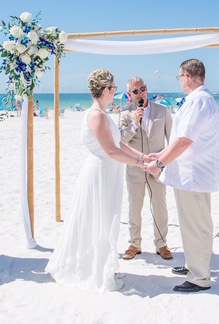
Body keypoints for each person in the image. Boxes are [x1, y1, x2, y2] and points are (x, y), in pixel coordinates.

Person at [46, 69, 148, 293]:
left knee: (107, 219)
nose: (115, 92)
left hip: (109, 172)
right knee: (100, 220)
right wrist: (138, 164)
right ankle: (95, 270)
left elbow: (119, 143)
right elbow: (111, 150)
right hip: (100, 172)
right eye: (113, 88)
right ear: (105, 90)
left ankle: (103, 266)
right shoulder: (96, 115)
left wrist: (141, 156)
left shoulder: (103, 113)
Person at [145, 59, 219, 293]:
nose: (179, 81)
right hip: (190, 174)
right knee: (194, 223)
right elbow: (182, 138)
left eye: (179, 77)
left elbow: (184, 140)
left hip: (194, 175)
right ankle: (193, 264)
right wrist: (162, 153)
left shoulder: (199, 101)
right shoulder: (199, 100)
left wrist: (160, 162)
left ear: (187, 76)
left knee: (196, 225)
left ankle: (200, 277)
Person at [118, 76, 173, 261]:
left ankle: (161, 243)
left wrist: (162, 161)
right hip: (135, 168)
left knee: (160, 206)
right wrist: (134, 123)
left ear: (146, 88)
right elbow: (120, 141)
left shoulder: (162, 111)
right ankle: (135, 243)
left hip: (158, 168)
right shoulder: (125, 113)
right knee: (134, 207)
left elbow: (171, 140)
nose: (140, 93)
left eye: (142, 88)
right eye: (135, 91)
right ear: (130, 94)